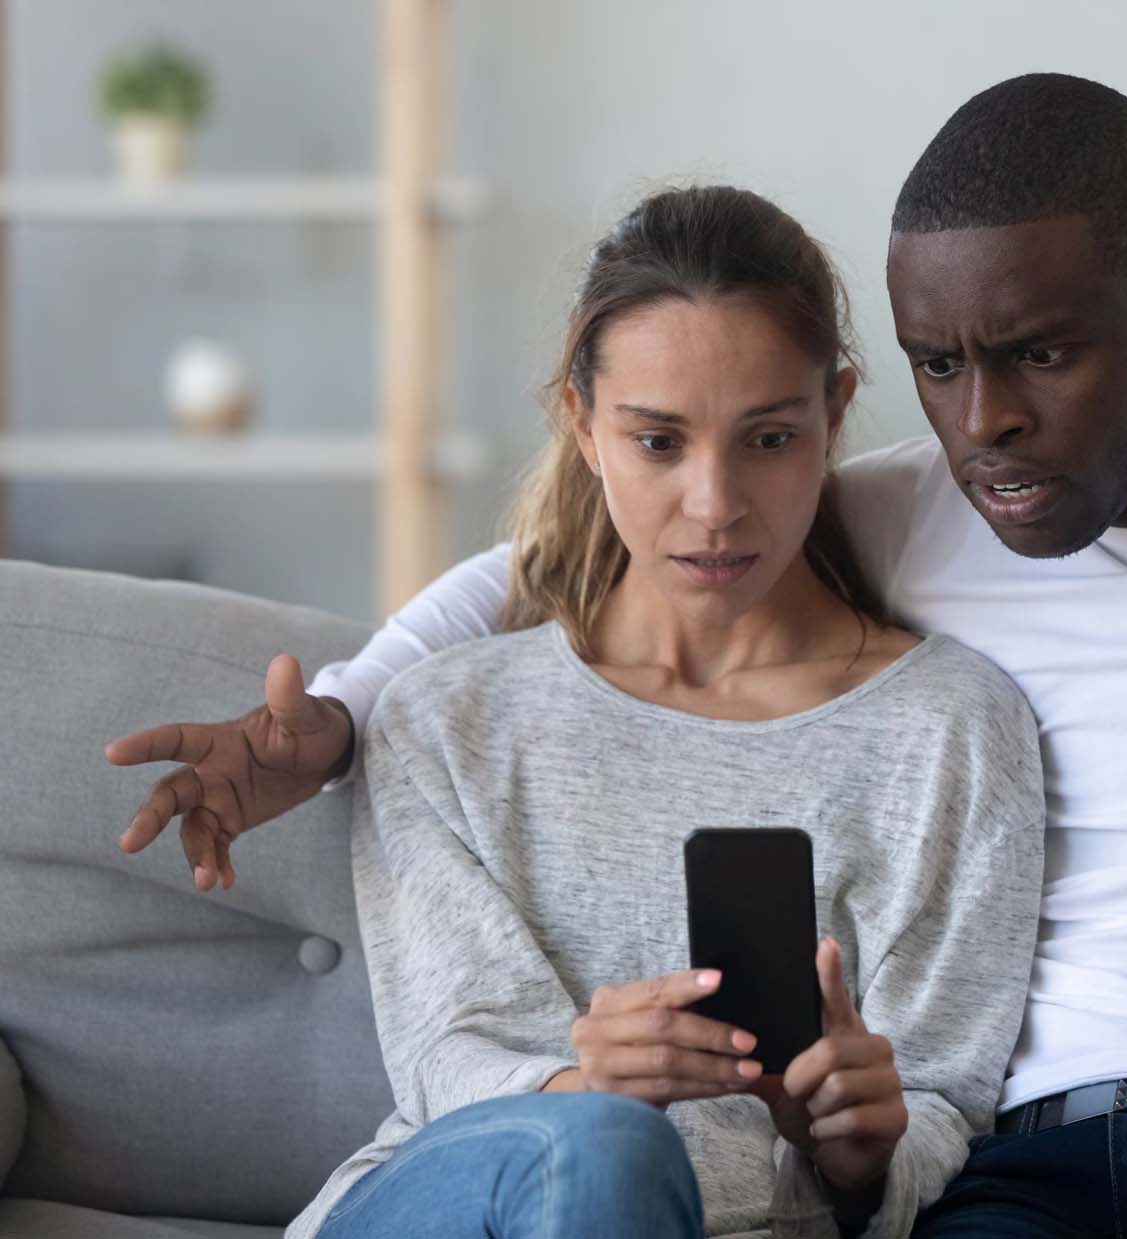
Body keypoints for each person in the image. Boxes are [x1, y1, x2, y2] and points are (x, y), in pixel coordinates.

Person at [111, 76, 1127, 1239]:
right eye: (937, 369)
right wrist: (340, 714)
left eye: (1038, 356)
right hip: (1022, 1184)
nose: (985, 429)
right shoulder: (937, 502)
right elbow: (580, 563)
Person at [111, 184, 1046, 1239]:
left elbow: (944, 1098)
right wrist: (582, 1089)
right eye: (658, 442)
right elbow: (446, 1064)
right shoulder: (448, 721)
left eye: (768, 439)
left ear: (834, 413)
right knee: (604, 1148)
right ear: (583, 425)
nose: (714, 504)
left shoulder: (952, 731)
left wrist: (865, 1148)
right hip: (462, 1205)